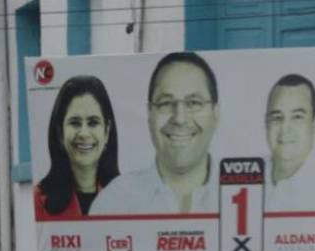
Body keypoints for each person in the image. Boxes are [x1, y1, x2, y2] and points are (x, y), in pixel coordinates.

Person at [90, 51, 220, 214]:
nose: (179, 118)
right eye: (165, 103)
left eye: (194, 103)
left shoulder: (250, 197)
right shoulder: (114, 202)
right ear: (150, 113)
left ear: (216, 113)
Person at [35, 76, 120, 219]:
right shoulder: (39, 200)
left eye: (93, 122)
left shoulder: (126, 199)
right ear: (60, 133)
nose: (84, 133)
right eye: (75, 123)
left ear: (107, 131)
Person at [263, 73, 315, 212]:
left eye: (297, 117)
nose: (285, 129)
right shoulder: (249, 173)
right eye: (277, 117)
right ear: (266, 122)